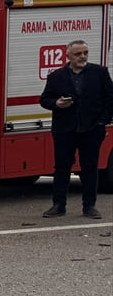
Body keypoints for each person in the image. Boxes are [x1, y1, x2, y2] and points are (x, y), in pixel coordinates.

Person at [39, 39, 113, 219]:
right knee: (62, 168)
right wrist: (56, 103)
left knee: (90, 168)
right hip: (65, 130)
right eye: (78, 54)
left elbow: (110, 98)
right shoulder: (56, 76)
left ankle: (89, 206)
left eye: (85, 53)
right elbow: (44, 100)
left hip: (91, 129)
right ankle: (58, 205)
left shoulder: (99, 73)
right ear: (68, 56)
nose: (83, 57)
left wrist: (102, 122)